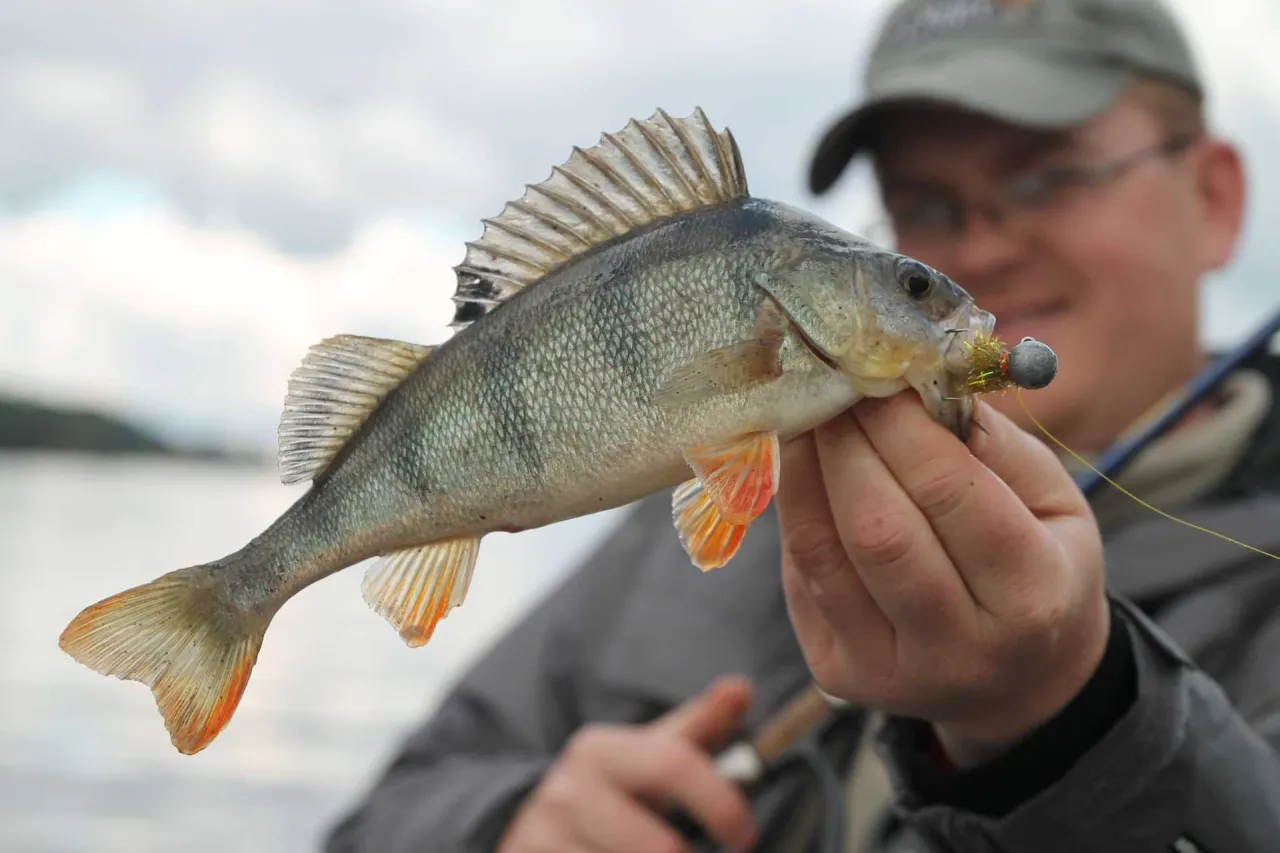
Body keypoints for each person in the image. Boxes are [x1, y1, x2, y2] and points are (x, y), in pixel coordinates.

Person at [324, 0, 1280, 850]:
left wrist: (1079, 717)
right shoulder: (693, 500)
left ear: (1215, 199)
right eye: (923, 203)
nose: (983, 243)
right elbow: (376, 819)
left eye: (1047, 178)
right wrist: (508, 825)